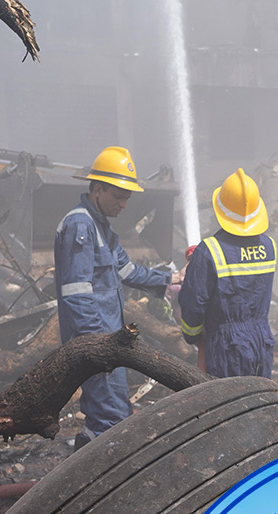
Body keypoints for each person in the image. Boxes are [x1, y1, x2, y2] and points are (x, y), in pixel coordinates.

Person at [57, 146, 176, 447]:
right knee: (112, 420)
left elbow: (128, 271)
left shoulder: (101, 226)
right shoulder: (80, 225)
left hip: (108, 340)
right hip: (98, 341)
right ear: (97, 189)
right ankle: (98, 469)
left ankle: (87, 457)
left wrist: (169, 279)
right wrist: (98, 347)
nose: (124, 204)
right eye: (118, 196)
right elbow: (76, 294)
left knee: (107, 415)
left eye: (127, 198)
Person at [176, 168, 277, 378]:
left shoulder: (208, 251)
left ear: (220, 210)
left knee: (229, 398)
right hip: (262, 339)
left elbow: (194, 302)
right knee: (260, 395)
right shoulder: (269, 246)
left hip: (227, 346)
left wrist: (192, 335)